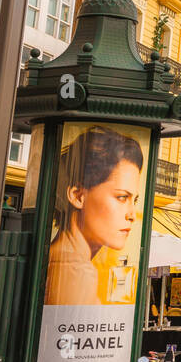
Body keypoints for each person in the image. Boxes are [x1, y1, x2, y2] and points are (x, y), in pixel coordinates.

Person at [46, 127, 144, 306]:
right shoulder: (74, 271)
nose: (132, 215)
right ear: (78, 196)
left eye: (134, 200)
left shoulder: (61, 259)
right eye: (122, 197)